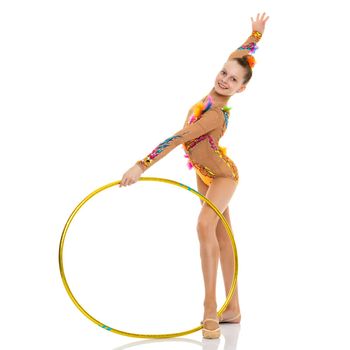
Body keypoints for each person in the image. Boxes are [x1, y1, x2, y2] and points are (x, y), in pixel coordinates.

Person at [119, 12, 269, 339]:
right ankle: (234, 309)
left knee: (204, 226)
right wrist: (254, 37)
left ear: (241, 89)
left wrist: (141, 165)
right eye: (223, 73)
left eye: (233, 80)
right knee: (222, 236)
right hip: (204, 173)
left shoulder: (214, 114)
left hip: (222, 176)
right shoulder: (216, 89)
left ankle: (210, 308)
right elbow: (238, 55)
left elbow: (180, 138)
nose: (224, 79)